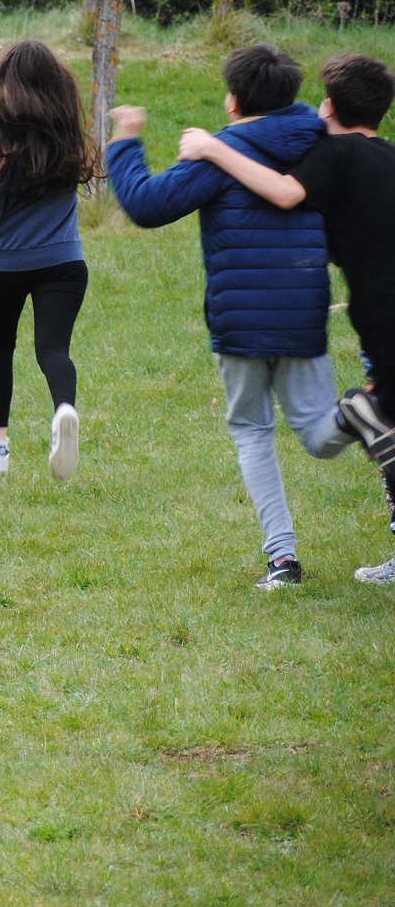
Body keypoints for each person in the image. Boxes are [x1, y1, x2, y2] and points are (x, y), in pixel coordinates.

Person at [106, 44, 347, 591]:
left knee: (251, 429)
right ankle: (362, 415)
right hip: (304, 309)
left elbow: (146, 204)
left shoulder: (222, 150)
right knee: (320, 432)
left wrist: (126, 138)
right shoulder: (319, 144)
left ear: (233, 100)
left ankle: (283, 559)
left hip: (240, 319)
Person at [173, 52, 395, 585]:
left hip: (381, 312)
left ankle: (359, 415)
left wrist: (213, 147)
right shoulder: (386, 156)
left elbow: (284, 191)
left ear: (329, 108)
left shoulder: (335, 152)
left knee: (375, 419)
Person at [0, 41, 101, 480]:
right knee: (53, 348)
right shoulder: (67, 137)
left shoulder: (0, 144)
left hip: (7, 265)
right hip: (66, 263)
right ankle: (64, 410)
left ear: (8, 90)